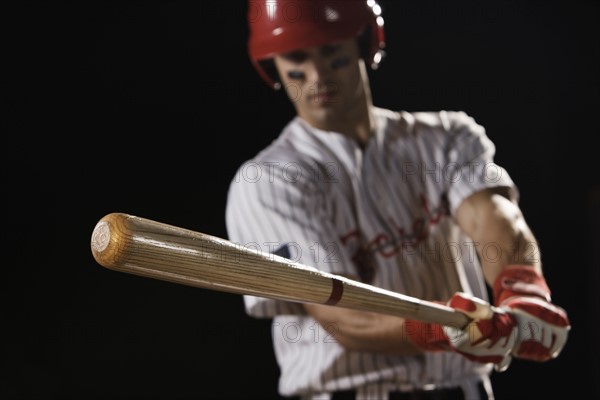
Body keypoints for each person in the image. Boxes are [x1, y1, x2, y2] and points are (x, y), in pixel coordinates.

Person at [225, 1, 571, 399]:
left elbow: (494, 218)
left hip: (466, 388)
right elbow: (339, 315)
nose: (317, 74)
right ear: (271, 65)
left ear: (363, 43)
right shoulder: (267, 180)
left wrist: (522, 289)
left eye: (332, 52)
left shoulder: (448, 136)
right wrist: (440, 328)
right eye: (297, 58)